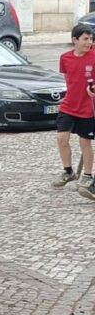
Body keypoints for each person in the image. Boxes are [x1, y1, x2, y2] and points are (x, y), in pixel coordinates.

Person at [54, 22, 95, 199]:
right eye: (85, 39)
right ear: (75, 40)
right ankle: (68, 171)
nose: (89, 42)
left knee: (85, 142)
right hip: (69, 105)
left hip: (88, 107)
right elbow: (68, 79)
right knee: (61, 138)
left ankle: (88, 176)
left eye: (91, 39)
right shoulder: (65, 58)